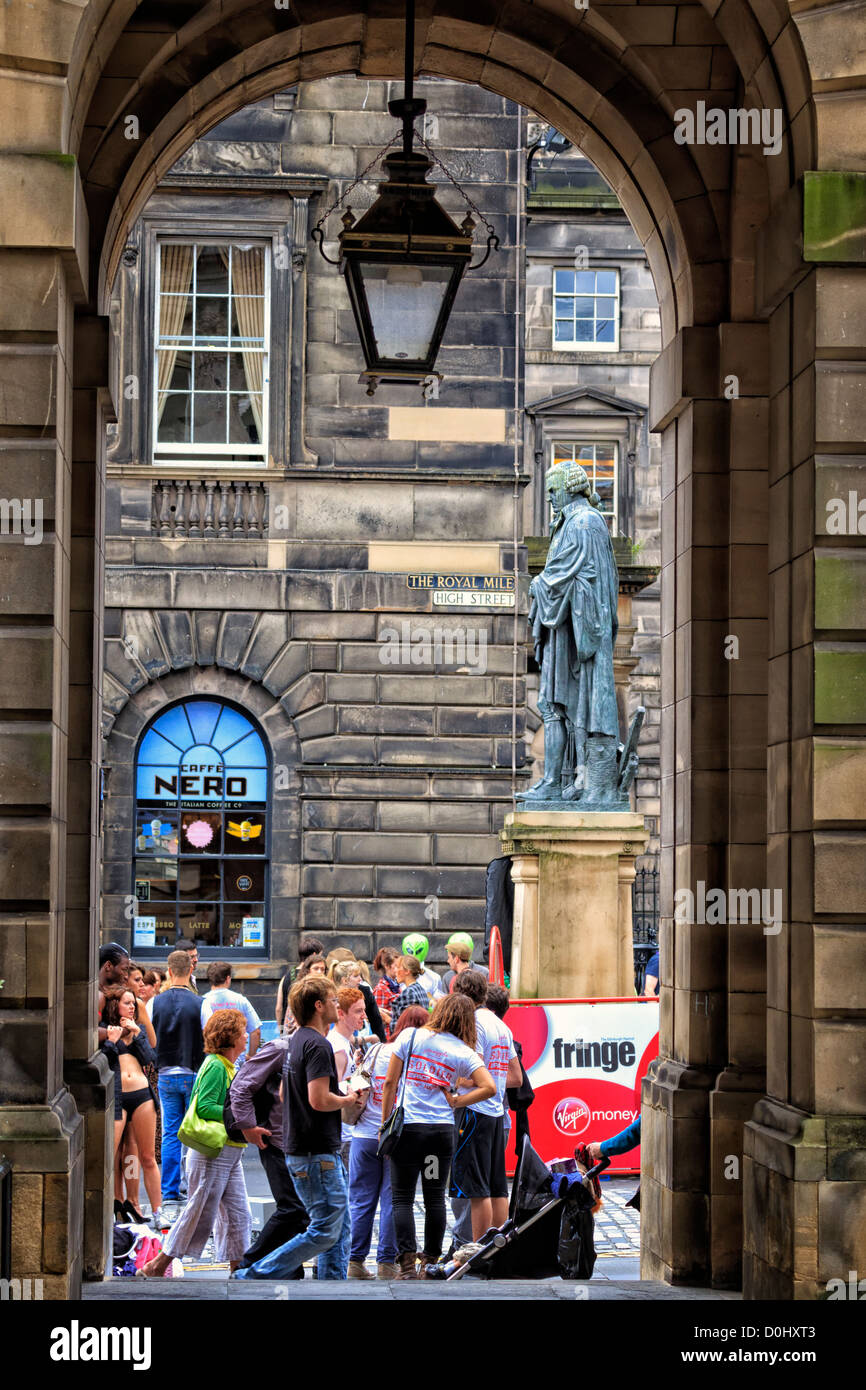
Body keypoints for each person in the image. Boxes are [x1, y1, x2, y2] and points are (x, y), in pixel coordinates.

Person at [233, 975, 366, 1281]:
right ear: (319, 1006)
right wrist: (348, 1098)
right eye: (333, 1001)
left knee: (338, 1227)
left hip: (309, 1149)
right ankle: (255, 1273)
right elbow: (319, 1100)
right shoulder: (318, 1045)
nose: (337, 1006)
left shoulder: (296, 1041)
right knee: (323, 1230)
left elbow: (284, 1093)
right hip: (316, 1151)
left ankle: (332, 1283)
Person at [381, 992, 495, 1279]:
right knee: (434, 1197)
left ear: (440, 1010)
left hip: (408, 1131)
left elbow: (390, 1083)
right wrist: (456, 1101)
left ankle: (406, 1265)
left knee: (403, 1198)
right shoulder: (462, 1051)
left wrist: (385, 1123)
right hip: (439, 1135)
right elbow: (489, 1087)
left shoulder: (411, 1037)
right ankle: (429, 1262)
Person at [141, 1010, 252, 1276]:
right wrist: (238, 1116)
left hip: (229, 1151)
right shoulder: (215, 1065)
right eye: (242, 1032)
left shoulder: (227, 1065)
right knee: (199, 1210)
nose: (246, 1036)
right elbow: (203, 1106)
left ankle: (237, 1268)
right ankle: (158, 1264)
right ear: (231, 1036)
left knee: (239, 1213)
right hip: (212, 1151)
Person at [346, 1009, 426, 1280]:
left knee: (360, 1201)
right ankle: (386, 1264)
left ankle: (354, 1261)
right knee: (394, 1200)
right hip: (396, 1137)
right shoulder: (416, 1059)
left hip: (363, 1137)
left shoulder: (377, 1050)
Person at [228, 1033, 309, 1276]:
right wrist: (247, 1126)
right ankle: (248, 1265)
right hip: (275, 1140)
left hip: (300, 1144)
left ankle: (290, 1269)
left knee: (301, 1211)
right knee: (293, 1208)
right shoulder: (281, 1048)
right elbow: (241, 1086)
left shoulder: (318, 1046)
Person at [451, 971, 522, 1239]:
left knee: (477, 1188)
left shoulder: (474, 1023)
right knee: (496, 1187)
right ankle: (500, 1247)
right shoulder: (500, 1024)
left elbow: (473, 1073)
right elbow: (515, 1076)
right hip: (495, 1112)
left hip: (475, 1112)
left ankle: (478, 1251)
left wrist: (455, 1081)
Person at [101, 986, 166, 1226]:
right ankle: (112, 1205)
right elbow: (104, 1061)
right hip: (118, 1097)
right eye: (127, 1002)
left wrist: (137, 1034)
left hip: (142, 1096)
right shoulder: (108, 1031)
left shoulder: (136, 1031)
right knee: (111, 1155)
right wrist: (112, 1041)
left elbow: (151, 1061)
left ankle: (159, 1212)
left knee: (146, 1157)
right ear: (114, 1005)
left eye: (134, 1004)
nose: (132, 1007)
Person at [151, 949, 205, 1219]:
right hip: (192, 1070)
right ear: (190, 971)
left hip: (165, 1073)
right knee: (194, 1132)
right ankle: (193, 1186)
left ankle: (170, 1190)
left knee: (171, 1133)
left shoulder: (155, 1003)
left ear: (169, 971)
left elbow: (151, 1037)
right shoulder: (200, 1003)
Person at [200, 961, 261, 1060]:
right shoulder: (241, 1000)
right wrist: (251, 1055)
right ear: (228, 979)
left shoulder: (202, 1002)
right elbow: (256, 1031)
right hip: (236, 1061)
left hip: (211, 1059)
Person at [275, 936, 325, 1027]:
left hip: (287, 1028)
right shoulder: (313, 978)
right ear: (314, 955)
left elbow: (279, 1008)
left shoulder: (285, 977)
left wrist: (281, 1029)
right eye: (320, 955)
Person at [332, 959, 385, 1042]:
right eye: (356, 976)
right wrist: (369, 1039)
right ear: (344, 980)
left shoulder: (365, 992)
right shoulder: (333, 1000)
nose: (360, 979)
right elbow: (340, 1036)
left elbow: (376, 1021)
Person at [402, 933, 445, 1001]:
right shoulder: (398, 976)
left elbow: (438, 1003)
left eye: (418, 951)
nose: (414, 954)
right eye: (410, 951)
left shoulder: (434, 978)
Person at [373, 947, 401, 1036]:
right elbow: (378, 1020)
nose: (400, 969)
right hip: (389, 1038)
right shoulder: (380, 989)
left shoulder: (397, 985)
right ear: (386, 966)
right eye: (396, 966)